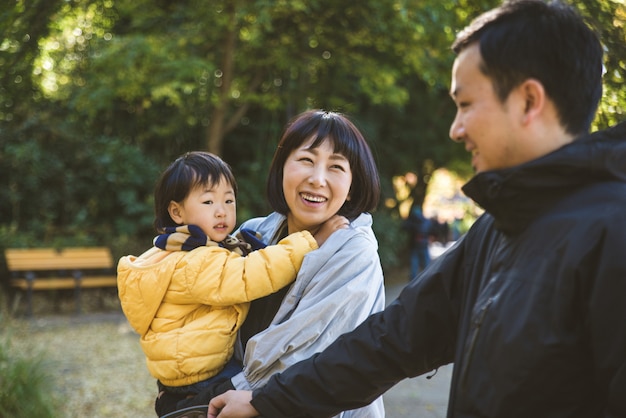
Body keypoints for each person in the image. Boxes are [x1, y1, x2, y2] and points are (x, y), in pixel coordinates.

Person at [206, 1, 626, 417]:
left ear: (529, 101)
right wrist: (268, 400)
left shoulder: (612, 234)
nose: (455, 129)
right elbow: (393, 341)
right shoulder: (496, 230)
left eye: (465, 104)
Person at [161, 110, 386, 417]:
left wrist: (205, 399)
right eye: (306, 160)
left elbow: (297, 355)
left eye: (335, 167)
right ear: (282, 167)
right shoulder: (252, 233)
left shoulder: (353, 253)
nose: (317, 179)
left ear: (352, 187)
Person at [116, 151, 348, 413]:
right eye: (208, 202)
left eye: (228, 200)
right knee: (264, 392)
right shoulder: (194, 261)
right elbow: (247, 275)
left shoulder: (176, 249)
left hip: (186, 370)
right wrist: (310, 242)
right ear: (176, 212)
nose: (221, 211)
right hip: (200, 376)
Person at [402, 202, 432, 279]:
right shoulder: (426, 221)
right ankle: (428, 277)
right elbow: (432, 230)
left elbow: (404, 227)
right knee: (426, 262)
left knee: (414, 263)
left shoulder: (411, 221)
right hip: (424, 244)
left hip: (414, 245)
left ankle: (413, 279)